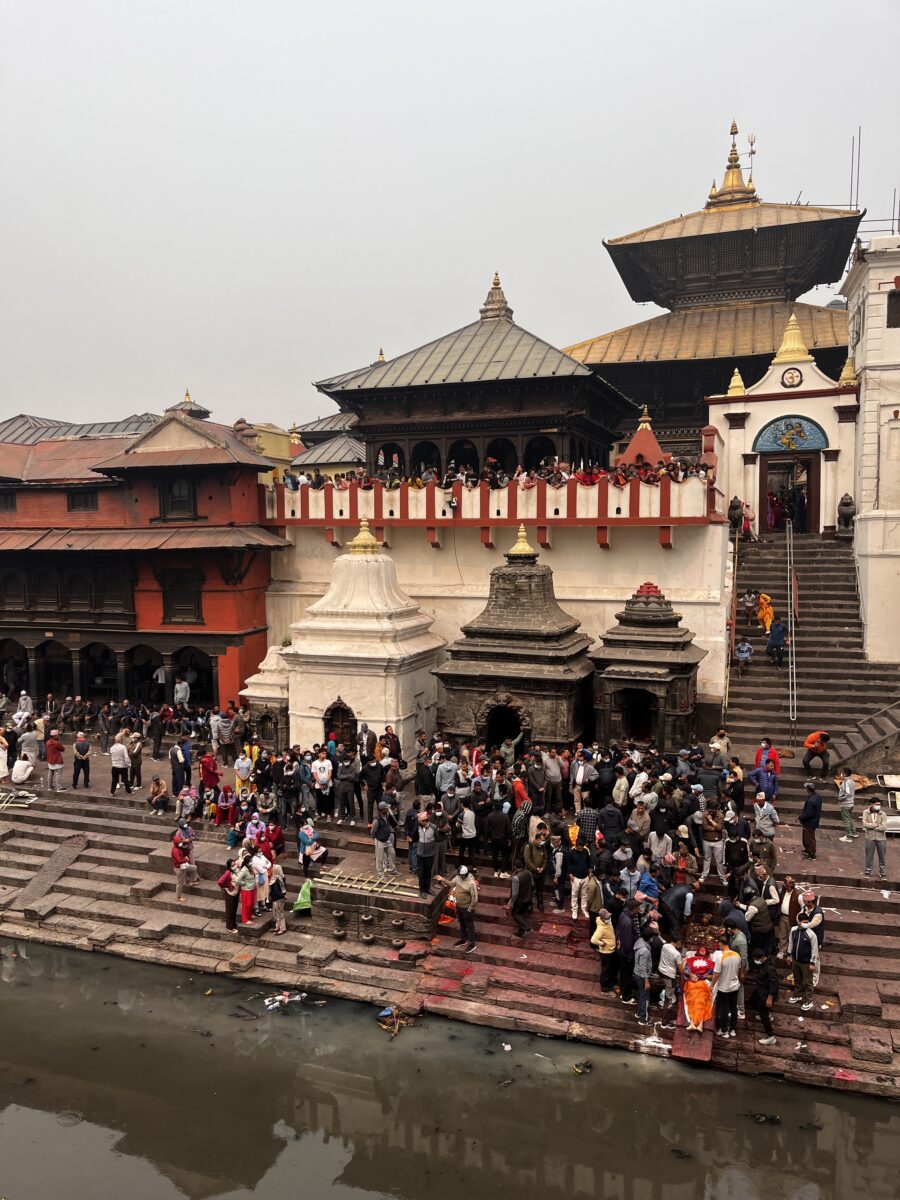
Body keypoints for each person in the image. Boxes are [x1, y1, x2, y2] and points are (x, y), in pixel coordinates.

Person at [712, 932, 743, 1039]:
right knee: (733, 1007)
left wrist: (711, 985)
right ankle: (733, 1029)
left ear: (721, 944)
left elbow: (716, 974)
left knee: (724, 1009)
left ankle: (724, 1030)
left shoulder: (720, 957)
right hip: (735, 985)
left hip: (723, 987)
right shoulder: (737, 955)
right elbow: (739, 971)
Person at [787, 911, 819, 1011]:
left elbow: (815, 949)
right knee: (797, 979)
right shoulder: (793, 930)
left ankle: (809, 1001)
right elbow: (791, 943)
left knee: (808, 982)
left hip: (806, 963)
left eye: (807, 922)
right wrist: (789, 955)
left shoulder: (811, 934)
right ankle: (798, 995)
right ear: (799, 922)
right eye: (804, 922)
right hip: (796, 960)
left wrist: (813, 963)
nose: (806, 923)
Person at [746, 947, 779, 1045]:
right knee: (752, 1001)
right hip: (760, 990)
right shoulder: (764, 964)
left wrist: (770, 997)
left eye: (756, 959)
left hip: (766, 994)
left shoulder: (770, 968)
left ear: (761, 958)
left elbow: (774, 984)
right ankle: (766, 1014)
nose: (755, 961)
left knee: (763, 1013)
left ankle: (770, 1036)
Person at [445, 864, 478, 953]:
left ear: (464, 874)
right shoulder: (458, 878)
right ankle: (463, 940)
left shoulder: (471, 883)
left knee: (470, 926)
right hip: (459, 906)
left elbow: (475, 898)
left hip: (467, 908)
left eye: (460, 875)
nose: (458, 876)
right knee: (462, 923)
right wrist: (442, 879)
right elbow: (452, 883)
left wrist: (470, 909)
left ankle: (472, 944)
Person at [590, 908, 618, 992]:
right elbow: (593, 940)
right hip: (606, 952)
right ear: (602, 918)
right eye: (606, 917)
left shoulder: (607, 922)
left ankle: (610, 984)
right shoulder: (600, 928)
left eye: (608, 917)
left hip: (611, 950)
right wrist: (602, 944)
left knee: (610, 969)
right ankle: (604, 989)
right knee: (606, 970)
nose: (608, 918)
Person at [775, 875, 801, 960]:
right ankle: (782, 950)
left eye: (789, 885)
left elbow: (802, 907)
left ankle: (791, 952)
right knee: (782, 934)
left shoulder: (798, 894)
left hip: (792, 918)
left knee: (792, 935)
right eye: (786, 885)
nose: (788, 887)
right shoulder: (783, 891)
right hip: (783, 916)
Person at [863, 796, 888, 881]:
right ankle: (867, 872)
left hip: (881, 838)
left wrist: (873, 826)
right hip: (870, 837)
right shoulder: (866, 812)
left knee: (882, 857)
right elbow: (865, 824)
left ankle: (883, 873)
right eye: (876, 804)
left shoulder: (883, 814)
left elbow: (884, 827)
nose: (878, 806)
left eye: (879, 805)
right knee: (869, 856)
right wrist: (876, 825)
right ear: (871, 804)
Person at [371, 800, 397, 879]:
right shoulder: (376, 820)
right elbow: (373, 831)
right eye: (386, 808)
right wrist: (375, 840)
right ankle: (380, 874)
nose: (387, 809)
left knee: (392, 853)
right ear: (381, 810)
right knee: (380, 859)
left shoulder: (387, 816)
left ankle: (392, 869)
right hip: (379, 841)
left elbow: (393, 823)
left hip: (386, 839)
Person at [633, 930, 653, 1026]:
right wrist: (646, 981)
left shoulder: (639, 941)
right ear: (649, 938)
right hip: (642, 976)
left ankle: (639, 1013)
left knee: (641, 995)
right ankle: (643, 1018)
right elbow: (643, 966)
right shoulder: (645, 951)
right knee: (645, 997)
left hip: (637, 973)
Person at [506, 866, 533, 937]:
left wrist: (511, 903)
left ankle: (527, 928)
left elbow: (515, 893)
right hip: (528, 898)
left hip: (519, 900)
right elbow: (532, 884)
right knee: (521, 914)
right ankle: (520, 931)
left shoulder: (516, 878)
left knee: (515, 914)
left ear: (514, 867)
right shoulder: (528, 872)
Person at [798, 781, 822, 860]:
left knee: (809, 838)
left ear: (808, 789)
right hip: (815, 820)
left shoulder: (811, 801)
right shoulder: (818, 797)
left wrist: (801, 817)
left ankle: (812, 854)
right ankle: (808, 849)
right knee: (806, 837)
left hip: (810, 822)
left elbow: (808, 813)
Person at [416, 810, 437, 898]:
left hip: (430, 854)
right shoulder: (418, 827)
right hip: (420, 854)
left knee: (428, 872)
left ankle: (427, 888)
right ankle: (422, 890)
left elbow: (437, 838)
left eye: (420, 821)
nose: (419, 822)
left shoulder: (433, 827)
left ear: (424, 821)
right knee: (421, 872)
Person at [172, 836, 199, 901]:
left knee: (194, 868)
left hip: (183, 865)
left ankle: (192, 881)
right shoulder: (175, 850)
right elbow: (179, 860)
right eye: (179, 842)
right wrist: (185, 859)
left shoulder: (178, 847)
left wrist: (186, 840)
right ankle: (178, 897)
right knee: (180, 883)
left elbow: (183, 841)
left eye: (180, 842)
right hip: (179, 868)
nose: (180, 843)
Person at [217, 858, 240, 933]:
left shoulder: (236, 871)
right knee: (230, 910)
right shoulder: (228, 872)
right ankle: (230, 927)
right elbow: (220, 882)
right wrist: (228, 886)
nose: (234, 866)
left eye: (235, 864)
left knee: (234, 909)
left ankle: (233, 924)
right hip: (230, 893)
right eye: (233, 865)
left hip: (236, 892)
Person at [837, 768, 858, 842]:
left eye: (842, 773)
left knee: (846, 820)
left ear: (845, 774)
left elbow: (847, 792)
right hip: (851, 803)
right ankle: (853, 832)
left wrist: (841, 798)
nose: (841, 774)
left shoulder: (846, 782)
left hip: (846, 804)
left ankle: (848, 836)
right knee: (849, 818)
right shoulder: (852, 781)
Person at [270, 860, 287, 934]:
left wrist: (282, 896)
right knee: (277, 914)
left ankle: (282, 928)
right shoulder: (280, 878)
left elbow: (277, 892)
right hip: (278, 898)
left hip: (278, 899)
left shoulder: (276, 881)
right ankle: (277, 926)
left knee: (280, 914)